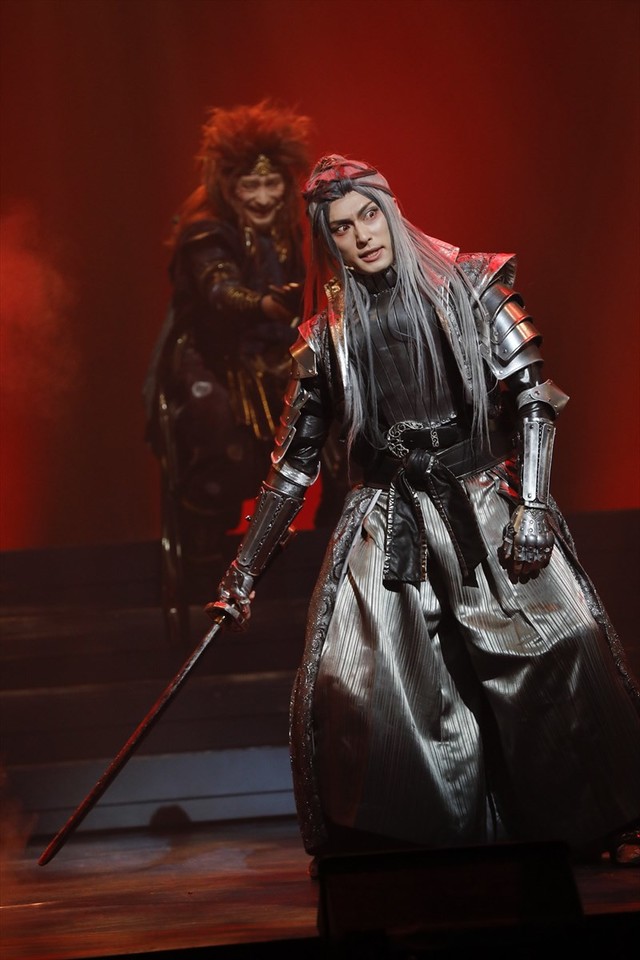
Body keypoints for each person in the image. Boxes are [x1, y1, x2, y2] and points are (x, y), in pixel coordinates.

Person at [208, 155, 640, 867]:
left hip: (480, 498)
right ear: (328, 241)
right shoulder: (324, 338)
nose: (362, 235)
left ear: (390, 211)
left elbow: (534, 397)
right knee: (358, 684)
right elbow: (293, 466)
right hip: (389, 518)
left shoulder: (471, 285)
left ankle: (603, 822)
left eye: (369, 215)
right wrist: (242, 574)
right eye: (342, 228)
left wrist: (534, 507)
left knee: (568, 641)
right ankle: (398, 848)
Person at [143, 103, 344, 614]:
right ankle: (203, 569)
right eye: (250, 186)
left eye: (271, 184)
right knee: (212, 426)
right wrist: (262, 304)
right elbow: (217, 287)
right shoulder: (205, 228)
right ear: (229, 186)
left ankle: (334, 551)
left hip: (281, 351)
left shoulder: (292, 223)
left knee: (347, 415)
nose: (262, 197)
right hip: (215, 357)